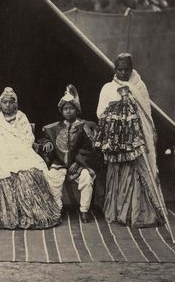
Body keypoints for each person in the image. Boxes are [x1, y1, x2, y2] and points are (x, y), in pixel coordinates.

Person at [95, 53, 165, 227]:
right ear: (115, 69)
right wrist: (119, 112)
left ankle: (136, 213)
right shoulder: (108, 88)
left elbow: (146, 113)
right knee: (118, 172)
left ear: (132, 69)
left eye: (127, 69)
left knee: (136, 173)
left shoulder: (139, 86)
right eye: (120, 69)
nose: (124, 73)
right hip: (117, 140)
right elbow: (100, 113)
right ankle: (119, 213)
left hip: (136, 139)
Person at [0, 87, 60, 229]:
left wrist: (17, 151)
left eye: (11, 102)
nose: (8, 105)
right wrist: (6, 154)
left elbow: (28, 138)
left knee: (29, 172)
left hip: (22, 152)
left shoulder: (21, 117)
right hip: (1, 154)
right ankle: (8, 215)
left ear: (15, 104)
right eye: (5, 102)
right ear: (0, 104)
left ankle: (32, 213)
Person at [40, 85, 102, 223]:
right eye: (65, 109)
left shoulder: (83, 126)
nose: (68, 111)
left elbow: (89, 148)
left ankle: (84, 210)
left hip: (79, 165)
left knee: (86, 178)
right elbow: (46, 139)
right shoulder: (55, 127)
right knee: (52, 180)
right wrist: (47, 143)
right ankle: (57, 209)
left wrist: (78, 163)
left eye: (71, 108)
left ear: (77, 110)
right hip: (60, 164)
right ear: (61, 111)